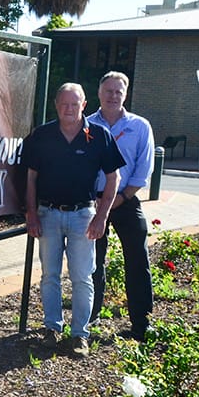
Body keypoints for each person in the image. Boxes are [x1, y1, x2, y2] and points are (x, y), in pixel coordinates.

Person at [21, 83, 124, 358]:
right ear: (56, 105)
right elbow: (30, 177)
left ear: (84, 105)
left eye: (74, 103)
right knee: (49, 277)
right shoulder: (41, 136)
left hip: (83, 216)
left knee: (82, 277)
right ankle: (52, 329)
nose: (69, 108)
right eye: (64, 103)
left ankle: (80, 334)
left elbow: (114, 178)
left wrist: (102, 216)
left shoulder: (99, 135)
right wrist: (31, 213)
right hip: (48, 214)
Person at [88, 71, 155, 341]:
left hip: (126, 199)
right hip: (92, 201)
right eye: (108, 91)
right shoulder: (86, 124)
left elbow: (144, 168)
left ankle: (142, 323)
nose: (113, 96)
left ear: (125, 95)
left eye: (119, 91)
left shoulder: (140, 126)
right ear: (99, 93)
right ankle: (88, 318)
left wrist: (122, 197)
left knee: (137, 260)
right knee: (92, 263)